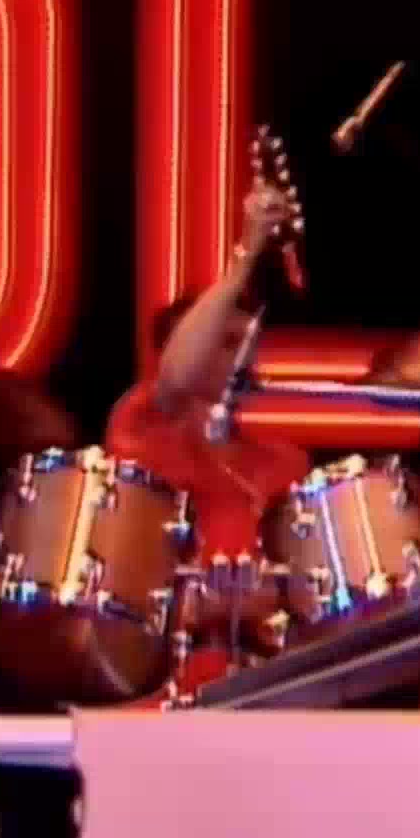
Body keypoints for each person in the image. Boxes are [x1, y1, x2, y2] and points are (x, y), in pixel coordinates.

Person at [105, 183, 312, 685]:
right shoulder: (144, 425)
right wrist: (246, 256)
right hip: (161, 673)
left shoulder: (285, 461)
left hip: (271, 677)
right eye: (225, 342)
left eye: (247, 343)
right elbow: (179, 377)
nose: (244, 356)